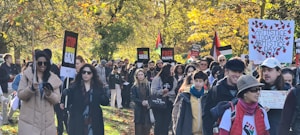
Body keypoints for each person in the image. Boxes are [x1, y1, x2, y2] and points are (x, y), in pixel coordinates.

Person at [17, 50, 62, 135]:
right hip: (29, 123)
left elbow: (57, 99)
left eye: (45, 63)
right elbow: (20, 95)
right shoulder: (27, 76)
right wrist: (31, 89)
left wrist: (49, 94)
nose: (42, 65)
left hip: (47, 124)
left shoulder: (53, 78)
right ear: (35, 63)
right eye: (40, 63)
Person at [62, 64, 109, 135]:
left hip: (93, 121)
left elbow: (104, 102)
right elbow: (68, 101)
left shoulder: (97, 87)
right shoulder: (75, 87)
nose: (86, 74)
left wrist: (104, 97)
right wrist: (66, 95)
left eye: (88, 73)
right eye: (83, 72)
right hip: (78, 121)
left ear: (92, 74)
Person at [202, 58, 245, 135]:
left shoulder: (246, 91)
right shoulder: (215, 90)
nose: (237, 75)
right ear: (227, 71)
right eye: (234, 71)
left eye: (240, 72)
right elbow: (206, 117)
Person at [258, 57, 289, 135]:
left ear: (278, 72)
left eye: (269, 70)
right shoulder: (255, 89)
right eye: (264, 70)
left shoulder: (288, 90)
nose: (266, 73)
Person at [172, 70, 208, 135]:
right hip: (188, 131)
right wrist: (177, 131)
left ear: (204, 82)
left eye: (200, 81)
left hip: (203, 131)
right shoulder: (186, 96)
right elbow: (181, 116)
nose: (198, 83)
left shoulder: (207, 96)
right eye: (196, 81)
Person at [151, 64, 177, 135]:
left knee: (166, 123)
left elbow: (175, 90)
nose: (172, 71)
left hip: (169, 103)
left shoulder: (173, 79)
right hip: (158, 103)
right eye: (171, 69)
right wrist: (161, 92)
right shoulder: (157, 78)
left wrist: (168, 93)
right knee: (159, 122)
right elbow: (153, 91)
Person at [131, 69, 152, 135]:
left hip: (147, 109)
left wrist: (148, 102)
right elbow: (133, 98)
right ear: (136, 76)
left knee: (146, 128)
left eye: (141, 74)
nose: (140, 76)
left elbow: (150, 96)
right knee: (138, 129)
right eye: (139, 75)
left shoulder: (148, 85)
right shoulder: (134, 87)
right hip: (138, 109)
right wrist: (141, 102)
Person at [0, 53, 18, 125]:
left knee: (17, 99)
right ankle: (4, 120)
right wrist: (8, 77)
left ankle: (9, 116)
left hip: (13, 85)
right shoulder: (2, 67)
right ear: (6, 59)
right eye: (10, 58)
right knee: (5, 103)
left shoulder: (14, 66)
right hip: (5, 86)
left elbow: (17, 73)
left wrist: (14, 76)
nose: (11, 59)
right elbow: (1, 78)